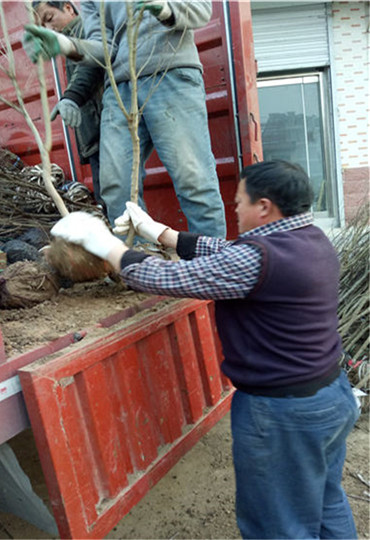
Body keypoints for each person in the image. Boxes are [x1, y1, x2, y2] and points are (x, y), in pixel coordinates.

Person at [50, 160, 360, 539]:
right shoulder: (311, 238)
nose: (234, 209)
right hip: (331, 398)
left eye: (238, 202)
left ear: (264, 207)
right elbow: (228, 251)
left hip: (283, 414)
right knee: (326, 501)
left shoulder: (259, 258)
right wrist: (162, 233)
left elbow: (166, 277)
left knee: (278, 523)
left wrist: (106, 245)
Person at [23, 0, 226, 237]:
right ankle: (138, 262)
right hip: (119, 90)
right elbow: (105, 49)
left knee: (192, 177)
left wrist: (165, 8)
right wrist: (67, 44)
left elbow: (201, 10)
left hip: (170, 72)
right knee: (115, 185)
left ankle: (211, 260)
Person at [30, 1, 106, 213]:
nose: (49, 29)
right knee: (106, 198)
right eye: (42, 26)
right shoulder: (73, 37)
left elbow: (89, 72)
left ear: (68, 8)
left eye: (49, 19)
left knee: (111, 196)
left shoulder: (85, 32)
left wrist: (70, 98)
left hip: (103, 133)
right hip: (97, 135)